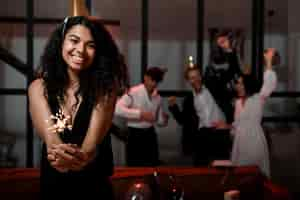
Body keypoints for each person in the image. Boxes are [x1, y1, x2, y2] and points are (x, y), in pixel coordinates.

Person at [28, 16, 128, 199]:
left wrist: (71, 159)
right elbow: (52, 141)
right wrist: (58, 155)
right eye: (74, 40)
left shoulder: (106, 88)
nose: (80, 50)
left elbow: (89, 148)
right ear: (61, 42)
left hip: (94, 188)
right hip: (53, 188)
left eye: (91, 45)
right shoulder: (38, 88)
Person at [214, 48, 279, 178]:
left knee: (254, 174)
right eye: (237, 84)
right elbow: (237, 124)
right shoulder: (238, 102)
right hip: (240, 141)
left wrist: (269, 62)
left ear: (246, 86)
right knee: (239, 175)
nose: (236, 86)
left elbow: (269, 83)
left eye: (239, 84)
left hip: (254, 139)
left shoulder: (257, 98)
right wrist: (226, 126)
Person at [168, 65, 231, 166]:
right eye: (192, 78)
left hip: (220, 133)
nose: (196, 79)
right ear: (189, 81)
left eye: (197, 76)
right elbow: (182, 120)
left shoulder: (214, 88)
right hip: (203, 136)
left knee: (222, 166)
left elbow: (228, 76)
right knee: (201, 167)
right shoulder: (188, 100)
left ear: (201, 77)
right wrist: (173, 107)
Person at [114, 66, 169, 167]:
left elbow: (159, 121)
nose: (154, 84)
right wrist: (140, 114)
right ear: (146, 78)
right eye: (152, 80)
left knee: (153, 166)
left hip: (150, 135)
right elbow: (117, 109)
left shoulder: (157, 97)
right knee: (135, 167)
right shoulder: (133, 92)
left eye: (157, 81)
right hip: (135, 135)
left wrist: (164, 120)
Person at [204, 31, 242, 123]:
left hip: (229, 96)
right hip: (218, 96)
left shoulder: (233, 56)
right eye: (219, 42)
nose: (221, 44)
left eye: (223, 41)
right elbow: (210, 75)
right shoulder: (216, 57)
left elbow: (236, 72)